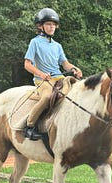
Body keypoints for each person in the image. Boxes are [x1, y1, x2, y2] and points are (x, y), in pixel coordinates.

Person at [24, 8, 82, 140]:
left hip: (59, 78)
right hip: (43, 80)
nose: (52, 27)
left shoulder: (57, 46)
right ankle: (29, 126)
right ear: (40, 26)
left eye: (54, 25)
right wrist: (41, 74)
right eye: (49, 24)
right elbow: (27, 64)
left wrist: (74, 68)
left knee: (79, 91)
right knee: (46, 97)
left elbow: (65, 64)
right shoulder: (35, 42)